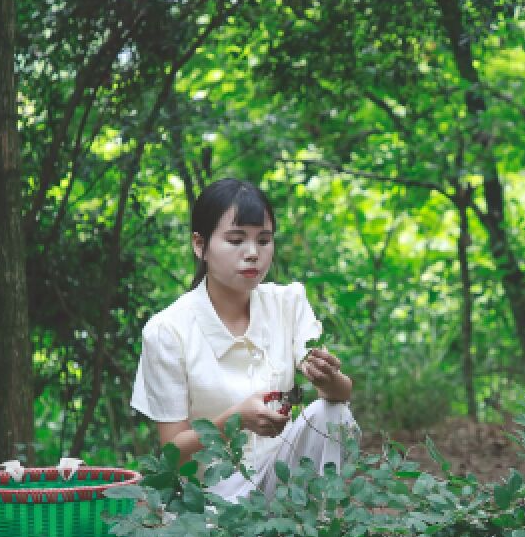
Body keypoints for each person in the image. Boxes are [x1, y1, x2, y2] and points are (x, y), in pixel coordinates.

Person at [131, 178, 357, 502]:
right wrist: (234, 420)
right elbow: (171, 453)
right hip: (213, 495)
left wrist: (329, 377)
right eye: (236, 240)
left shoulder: (287, 303)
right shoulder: (168, 330)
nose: (253, 254)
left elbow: (340, 395)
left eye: (263, 241)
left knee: (332, 414)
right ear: (200, 245)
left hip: (282, 478)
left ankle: (319, 529)